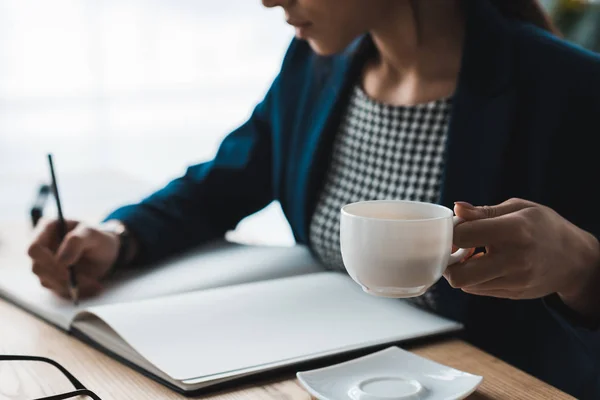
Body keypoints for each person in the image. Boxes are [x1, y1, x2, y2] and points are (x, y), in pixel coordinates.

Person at [27, 0, 600, 397]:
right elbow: (223, 181)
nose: (270, 2)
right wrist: (118, 238)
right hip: (328, 378)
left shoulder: (568, 89)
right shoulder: (316, 66)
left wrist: (581, 267)